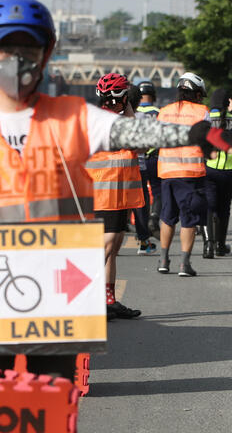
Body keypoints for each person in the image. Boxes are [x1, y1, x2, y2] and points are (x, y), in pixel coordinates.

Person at [0, 0, 232, 373]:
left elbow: (133, 129)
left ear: (47, 52)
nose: (17, 58)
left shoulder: (75, 117)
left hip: (55, 293)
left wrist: (196, 132)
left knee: (50, 414)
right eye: (7, 47)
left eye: (28, 48)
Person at [87, 73, 144, 320]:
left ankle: (108, 302)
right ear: (122, 97)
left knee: (114, 247)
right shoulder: (96, 122)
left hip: (119, 194)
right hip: (102, 193)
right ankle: (84, 296)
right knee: (107, 245)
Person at [156, 72, 211, 277]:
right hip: (190, 173)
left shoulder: (164, 111)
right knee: (189, 219)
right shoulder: (202, 111)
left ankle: (163, 259)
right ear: (197, 94)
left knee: (167, 217)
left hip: (166, 172)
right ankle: (184, 264)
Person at [203, 88, 232, 258]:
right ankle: (221, 246)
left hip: (209, 169)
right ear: (227, 103)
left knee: (209, 208)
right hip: (229, 171)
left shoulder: (206, 118)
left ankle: (208, 246)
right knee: (224, 209)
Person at [135, 80, 162, 250]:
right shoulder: (159, 112)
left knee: (137, 196)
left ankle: (133, 226)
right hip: (155, 158)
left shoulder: (133, 112)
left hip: (137, 158)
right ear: (153, 95)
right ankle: (153, 217)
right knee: (158, 191)